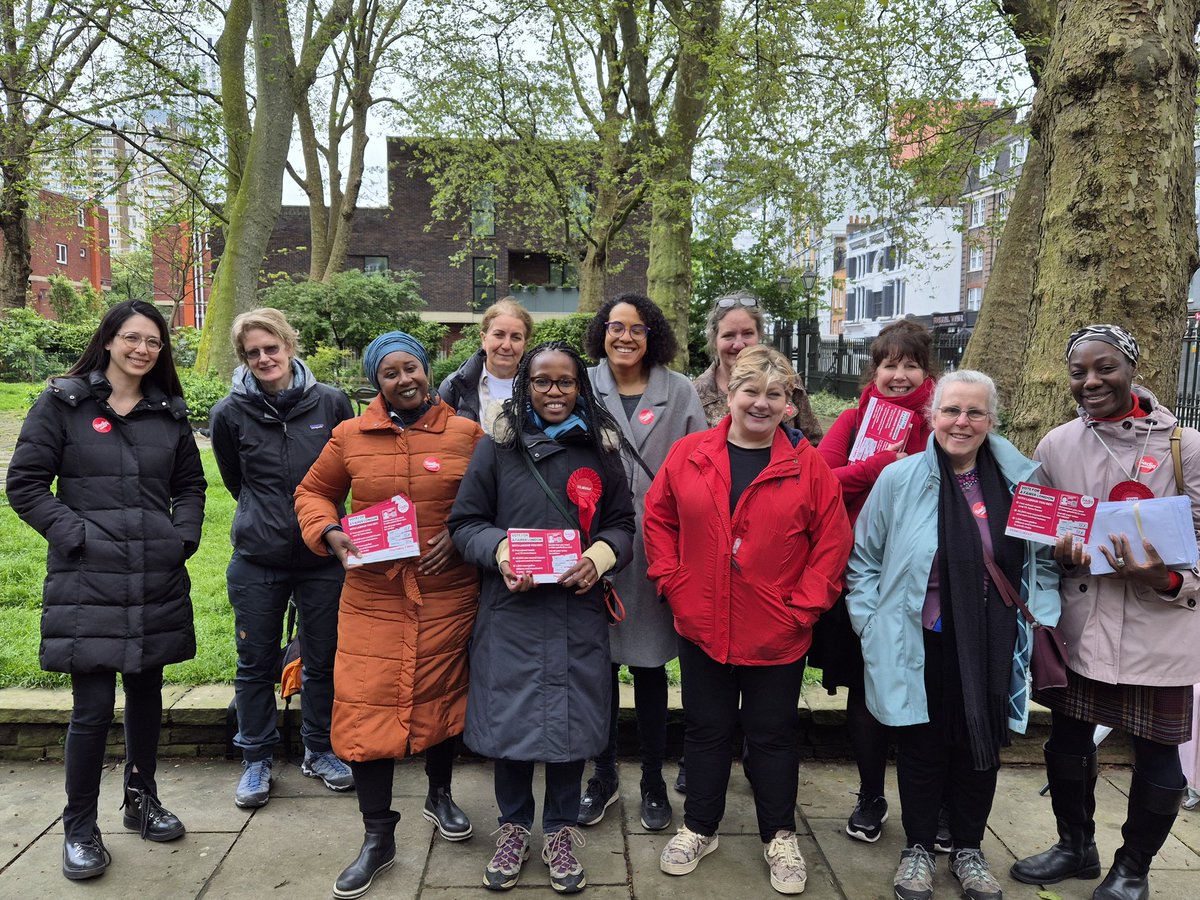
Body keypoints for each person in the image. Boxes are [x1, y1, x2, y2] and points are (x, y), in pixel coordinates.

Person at [6, 300, 205, 881]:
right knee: (92, 710)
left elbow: (191, 485)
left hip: (154, 576)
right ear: (110, 340)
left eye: (154, 342)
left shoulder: (167, 414)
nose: (143, 349)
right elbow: (25, 484)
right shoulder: (63, 403)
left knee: (147, 698)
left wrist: (182, 537)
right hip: (86, 580)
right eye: (132, 338)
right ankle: (79, 828)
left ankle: (141, 801)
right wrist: (76, 535)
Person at [644, 346, 852, 896]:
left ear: (789, 403)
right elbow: (659, 519)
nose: (761, 404)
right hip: (702, 624)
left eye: (774, 394)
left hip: (777, 632)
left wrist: (802, 608)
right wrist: (672, 581)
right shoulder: (690, 454)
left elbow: (832, 545)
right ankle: (700, 826)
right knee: (706, 730)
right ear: (728, 396)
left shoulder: (809, 467)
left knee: (773, 736)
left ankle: (779, 834)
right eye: (750, 392)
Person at [847, 369, 1060, 900]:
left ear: (992, 420)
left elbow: (1044, 565)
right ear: (932, 416)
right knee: (921, 746)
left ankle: (967, 848)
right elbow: (863, 560)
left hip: (993, 640)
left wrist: (1043, 617)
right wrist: (870, 624)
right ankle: (918, 848)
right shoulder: (899, 479)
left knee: (978, 747)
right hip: (918, 637)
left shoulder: (1025, 484)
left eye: (974, 413)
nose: (961, 422)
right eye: (950, 411)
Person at [1011, 325, 1200, 900]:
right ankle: (1076, 846)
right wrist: (1058, 550)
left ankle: (1133, 868)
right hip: (1082, 624)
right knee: (1066, 740)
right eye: (1079, 372)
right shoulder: (1057, 445)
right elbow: (1038, 532)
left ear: (1133, 369)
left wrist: (1164, 577)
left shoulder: (1184, 446)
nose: (1091, 381)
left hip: (1158, 627)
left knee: (1159, 756)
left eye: (1106, 368)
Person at [294, 331, 484, 900]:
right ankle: (378, 836)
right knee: (364, 709)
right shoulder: (350, 436)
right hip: (373, 596)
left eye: (412, 368)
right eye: (390, 373)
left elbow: (490, 501)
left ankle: (440, 794)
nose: (405, 380)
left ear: (428, 369)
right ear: (375, 382)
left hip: (448, 594)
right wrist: (328, 533)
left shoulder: (466, 434)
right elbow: (312, 493)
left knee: (443, 698)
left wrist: (459, 534)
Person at [448, 342, 636, 894]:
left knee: (572, 730)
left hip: (576, 614)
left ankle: (559, 830)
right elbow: (465, 524)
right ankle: (511, 827)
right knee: (511, 726)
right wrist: (503, 552)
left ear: (581, 387)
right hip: (513, 613)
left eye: (565, 382)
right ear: (525, 387)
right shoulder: (495, 451)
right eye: (542, 382)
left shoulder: (602, 452)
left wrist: (599, 558)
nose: (554, 392)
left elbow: (623, 524)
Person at [209, 308, 356, 808]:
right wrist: (267, 519)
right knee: (254, 663)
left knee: (324, 660)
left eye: (271, 348)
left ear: (290, 346)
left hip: (324, 558)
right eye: (253, 352)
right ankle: (256, 758)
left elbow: (348, 473)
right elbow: (235, 480)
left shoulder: (333, 403)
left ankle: (320, 749)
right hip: (258, 557)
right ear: (244, 359)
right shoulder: (229, 413)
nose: (264, 358)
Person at [576, 293, 706, 833]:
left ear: (653, 334)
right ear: (601, 332)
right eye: (615, 326)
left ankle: (653, 779)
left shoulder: (678, 392)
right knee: (598, 670)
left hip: (656, 549)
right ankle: (602, 776)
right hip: (594, 549)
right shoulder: (581, 383)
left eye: (637, 328)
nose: (625, 337)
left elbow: (702, 466)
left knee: (651, 670)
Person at [811, 320, 938, 844]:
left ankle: (929, 802)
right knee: (866, 689)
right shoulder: (854, 416)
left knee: (927, 689)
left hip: (922, 578)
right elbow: (820, 480)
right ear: (874, 370)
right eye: (889, 364)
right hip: (859, 573)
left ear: (926, 370)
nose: (899, 375)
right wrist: (883, 465)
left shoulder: (943, 420)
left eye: (910, 364)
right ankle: (870, 794)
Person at [691, 289, 822, 443]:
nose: (739, 344)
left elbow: (813, 442)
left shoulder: (785, 380)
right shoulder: (695, 395)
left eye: (747, 333)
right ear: (714, 340)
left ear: (759, 335)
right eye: (728, 335)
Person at [438, 297, 534, 431]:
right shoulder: (454, 386)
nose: (506, 345)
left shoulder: (539, 387)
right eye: (499, 335)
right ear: (484, 339)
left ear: (525, 344)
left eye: (516, 337)